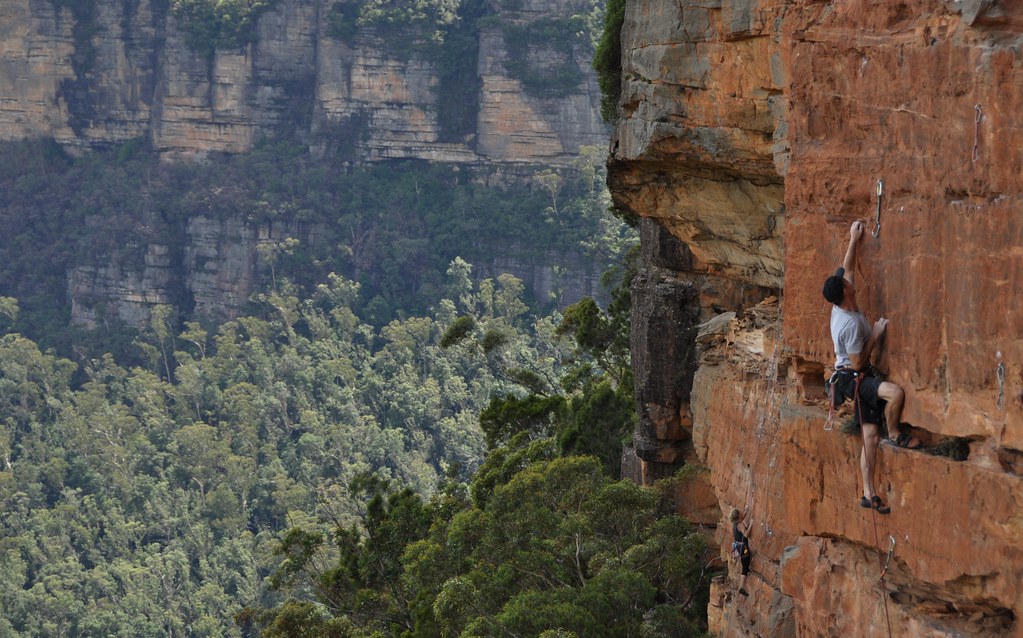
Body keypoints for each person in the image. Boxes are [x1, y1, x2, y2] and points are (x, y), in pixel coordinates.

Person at [822, 221, 919, 515]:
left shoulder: (844, 299)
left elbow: (847, 265)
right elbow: (858, 363)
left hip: (855, 374)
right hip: (853, 378)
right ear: (846, 292)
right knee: (895, 394)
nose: (851, 280)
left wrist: (854, 238)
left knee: (869, 438)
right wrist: (875, 336)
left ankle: (868, 492)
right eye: (848, 283)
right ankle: (895, 432)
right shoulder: (848, 325)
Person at [729, 508, 751, 596]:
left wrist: (745, 511)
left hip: (737, 546)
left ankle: (747, 567)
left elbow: (741, 518)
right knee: (745, 568)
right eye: (741, 513)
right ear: (738, 516)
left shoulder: (735, 524)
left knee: (745, 563)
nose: (742, 513)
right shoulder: (741, 525)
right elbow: (745, 534)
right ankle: (742, 587)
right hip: (743, 547)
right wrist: (751, 525)